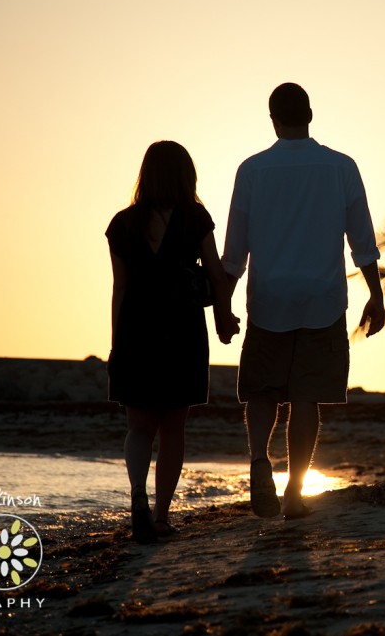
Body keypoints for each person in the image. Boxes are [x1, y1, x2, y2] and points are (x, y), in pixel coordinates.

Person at [222, 82, 385, 520]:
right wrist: (376, 295)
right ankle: (295, 492)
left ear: (272, 119)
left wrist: (223, 305)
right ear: (310, 115)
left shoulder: (252, 170)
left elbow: (234, 251)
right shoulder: (341, 167)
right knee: (306, 397)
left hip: (269, 299)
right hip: (323, 299)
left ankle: (259, 460)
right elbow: (363, 242)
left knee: (262, 392)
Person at [106, 140, 240, 543]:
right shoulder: (194, 218)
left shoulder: (122, 223)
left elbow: (120, 289)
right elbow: (216, 274)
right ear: (186, 175)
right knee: (173, 429)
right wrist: (222, 318)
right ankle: (161, 517)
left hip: (136, 330)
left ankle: (136, 495)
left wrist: (116, 346)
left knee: (139, 427)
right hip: (182, 329)